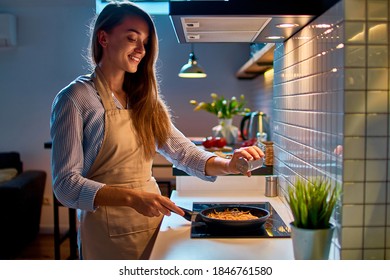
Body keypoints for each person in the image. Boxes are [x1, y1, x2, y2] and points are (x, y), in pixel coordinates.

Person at [50, 1, 264, 260]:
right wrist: (132, 198)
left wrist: (229, 165)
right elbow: (65, 186)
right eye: (132, 38)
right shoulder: (75, 98)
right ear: (103, 38)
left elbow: (184, 153)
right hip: (107, 233)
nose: (141, 49)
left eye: (146, 42)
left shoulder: (145, 98)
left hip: (152, 222)